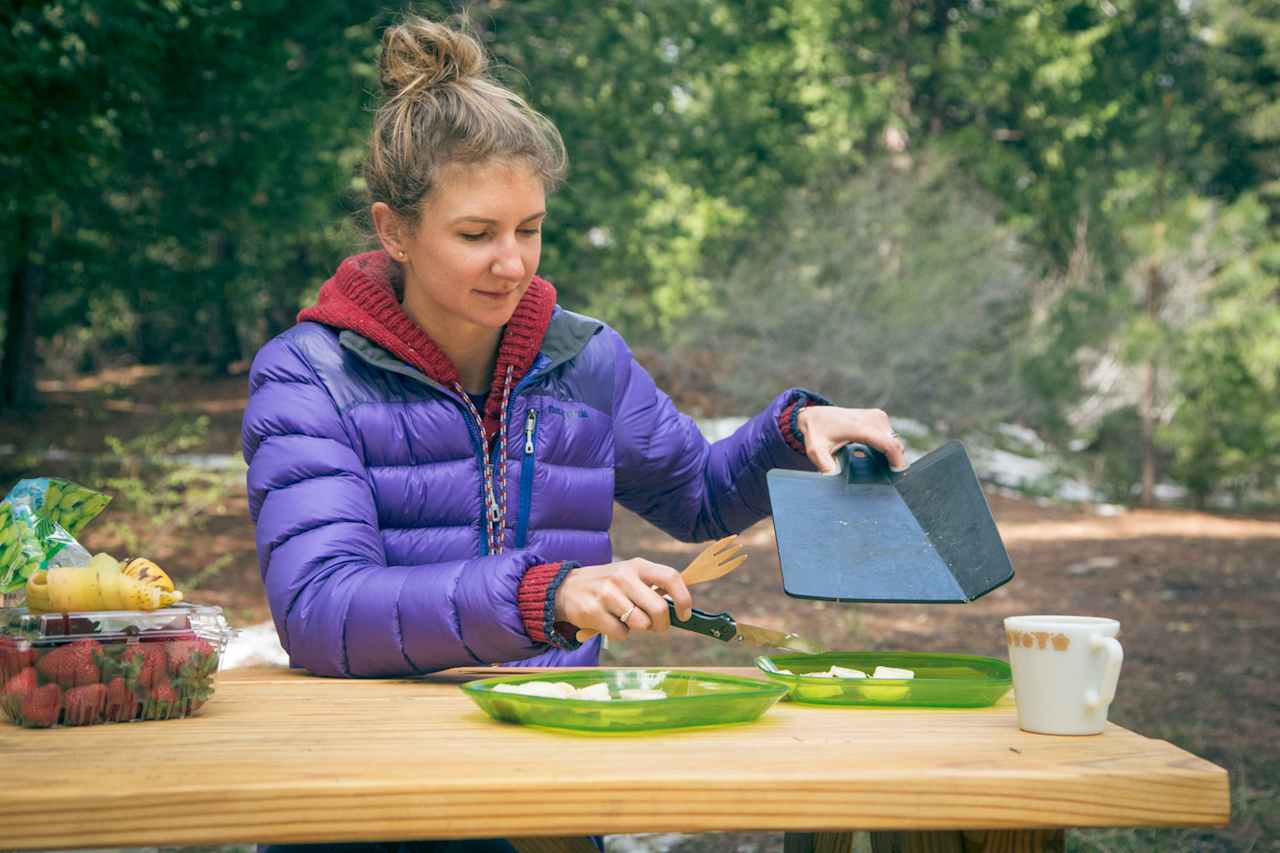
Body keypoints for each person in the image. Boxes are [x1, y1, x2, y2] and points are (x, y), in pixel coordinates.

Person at [242, 14, 905, 686]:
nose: (512, 263)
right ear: (394, 231)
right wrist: (544, 594)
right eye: (476, 235)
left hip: (558, 730)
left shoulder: (584, 359)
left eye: (528, 229)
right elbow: (321, 609)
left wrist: (792, 433)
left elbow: (699, 496)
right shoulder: (309, 376)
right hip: (396, 747)